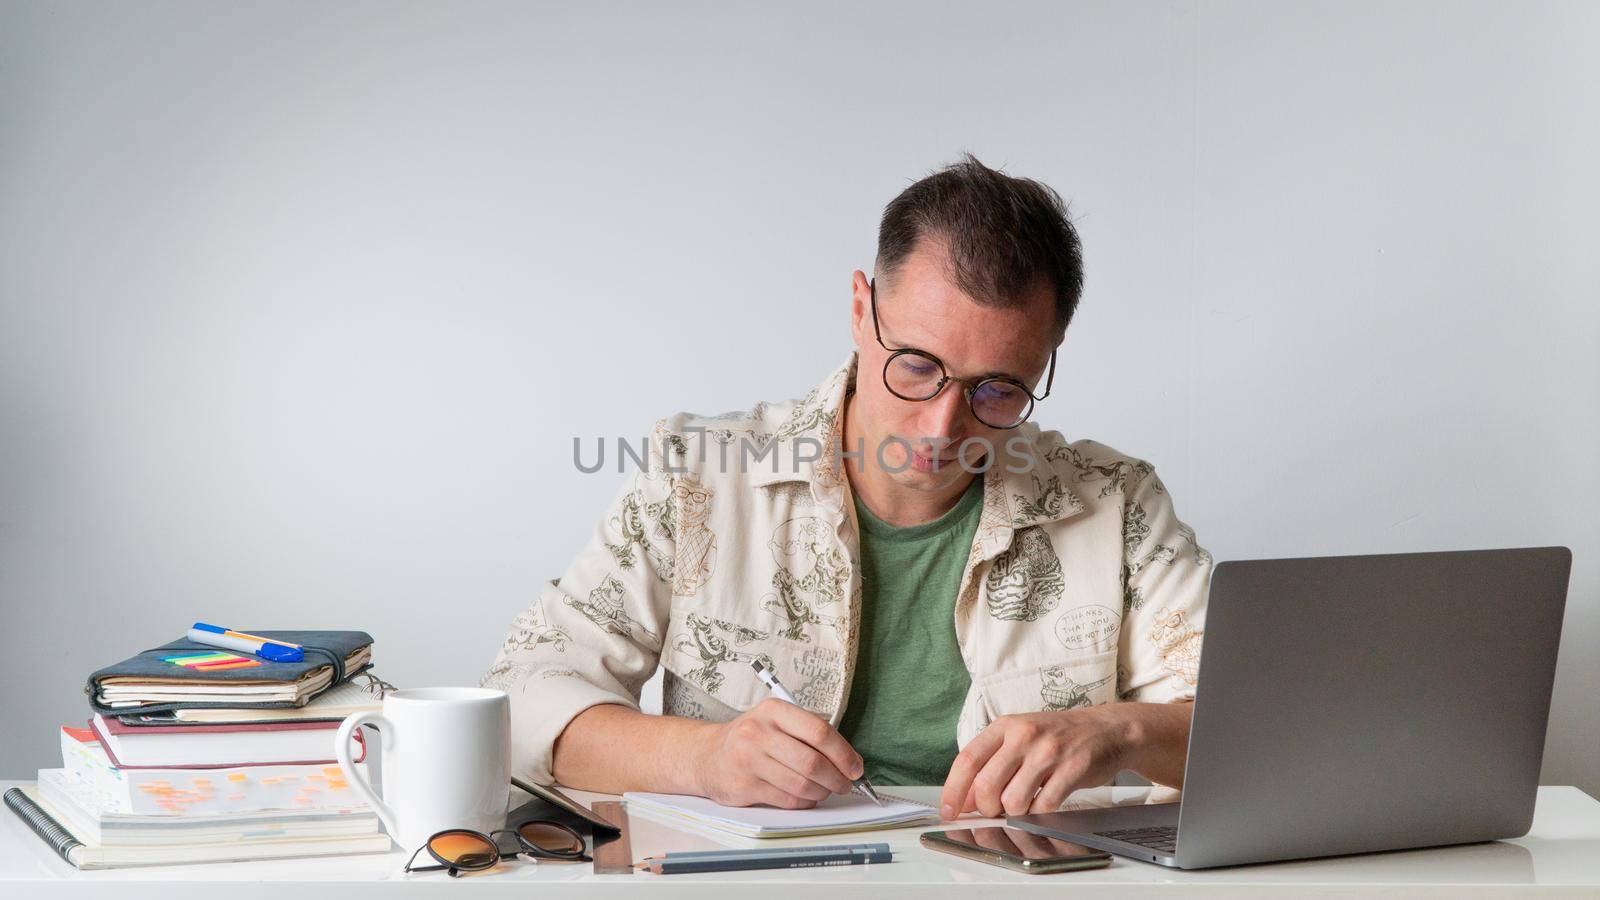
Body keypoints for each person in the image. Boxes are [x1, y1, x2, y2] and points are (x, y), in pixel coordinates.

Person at [484, 154, 1210, 821]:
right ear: (861, 310)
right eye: (918, 366)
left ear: (1045, 362)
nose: (939, 428)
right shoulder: (697, 478)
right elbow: (524, 693)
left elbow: (1258, 726)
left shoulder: (1117, 506)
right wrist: (703, 758)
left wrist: (1120, 730)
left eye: (998, 390)